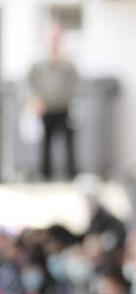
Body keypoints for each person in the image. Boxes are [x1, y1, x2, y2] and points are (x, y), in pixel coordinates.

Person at [27, 24, 79, 180]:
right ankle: (45, 176)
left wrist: (70, 100)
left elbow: (75, 84)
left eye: (57, 38)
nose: (54, 42)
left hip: (64, 108)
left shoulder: (68, 64)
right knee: (45, 144)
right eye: (51, 38)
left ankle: (71, 176)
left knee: (69, 143)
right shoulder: (38, 65)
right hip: (45, 109)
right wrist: (34, 99)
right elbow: (28, 84)